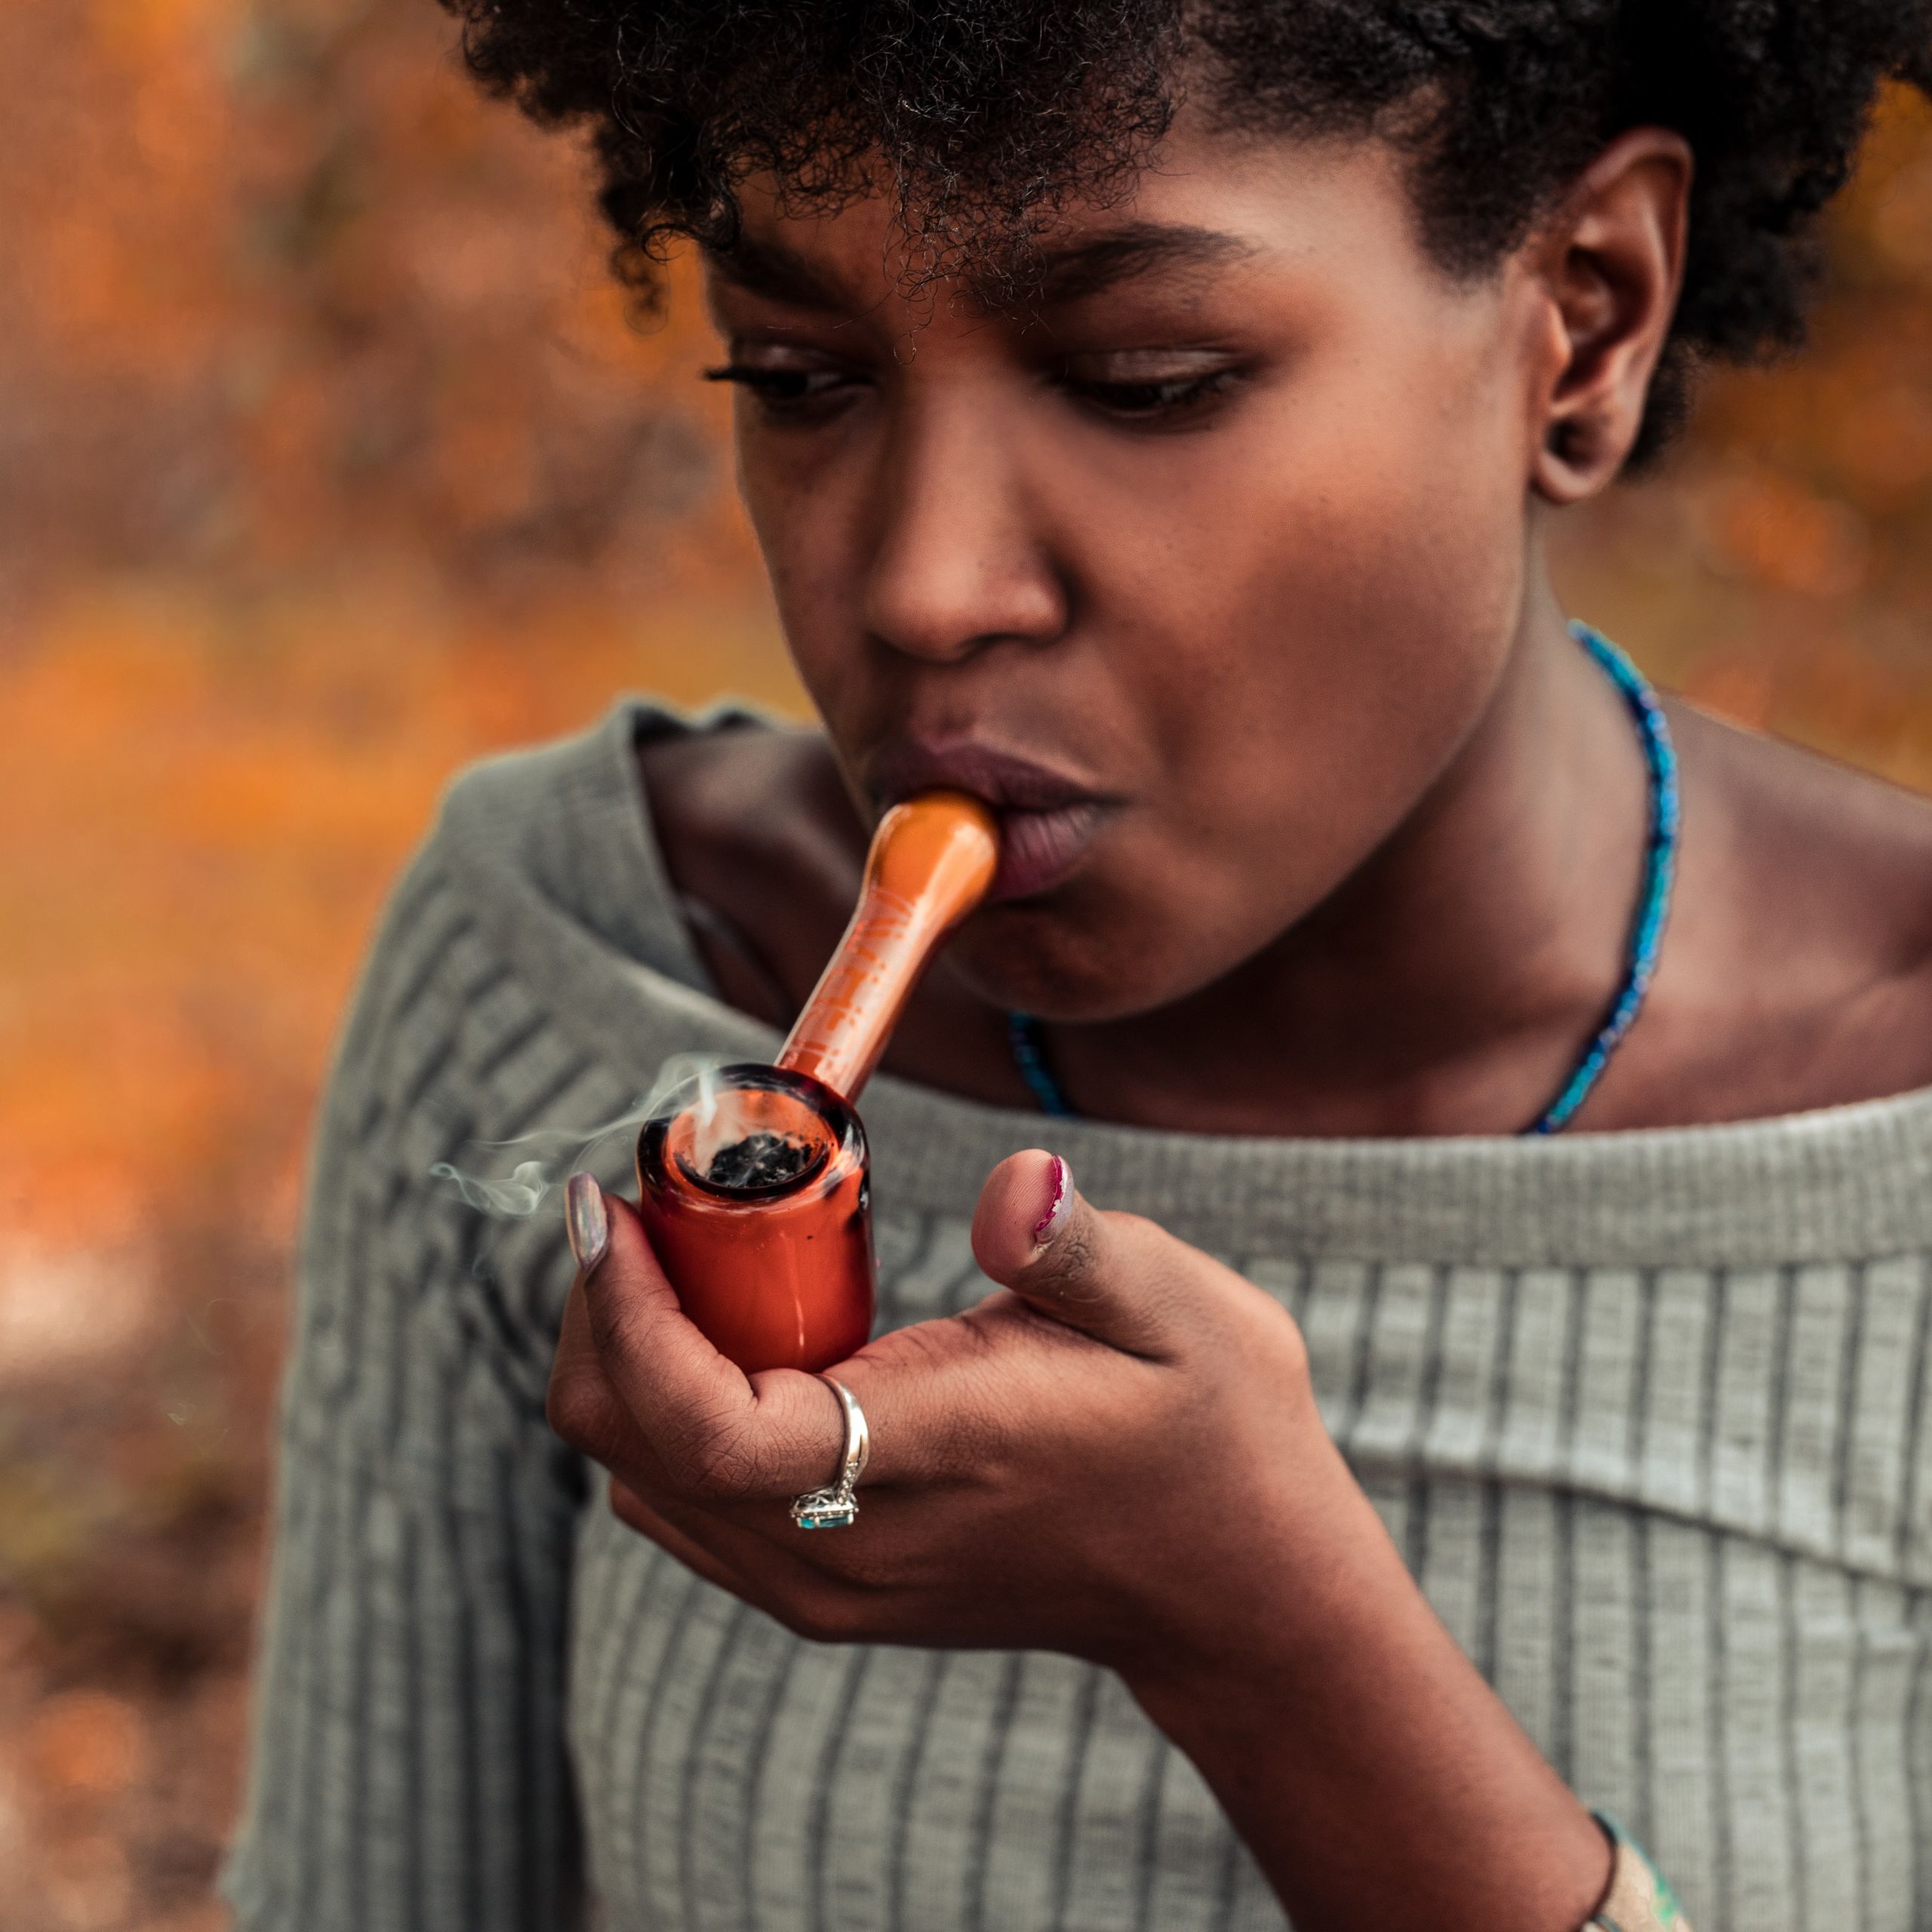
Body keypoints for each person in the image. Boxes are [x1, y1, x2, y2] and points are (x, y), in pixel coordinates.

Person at [221, 6, 1932, 1930]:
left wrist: (1266, 1648)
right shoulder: (575, 968)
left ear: (1587, 314)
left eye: (1144, 379)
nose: (922, 583)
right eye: (794, 375)